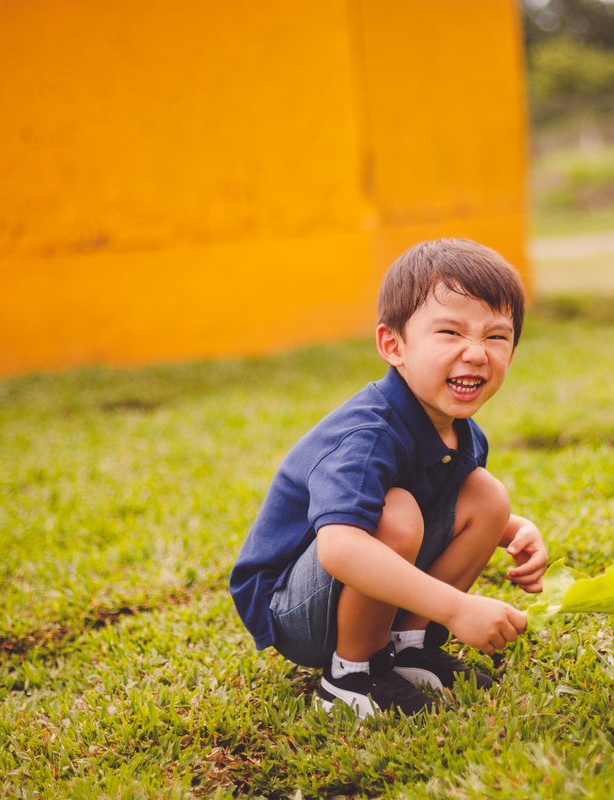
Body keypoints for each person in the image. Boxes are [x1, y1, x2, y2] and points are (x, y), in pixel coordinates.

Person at [229, 238, 548, 718]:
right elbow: (340, 546)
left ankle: (407, 650)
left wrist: (515, 531)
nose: (477, 353)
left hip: (352, 581)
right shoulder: (367, 434)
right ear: (393, 346)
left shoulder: (461, 432)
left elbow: (443, 499)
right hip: (294, 610)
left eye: (496, 337)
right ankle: (350, 674)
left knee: (486, 493)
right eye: (450, 332)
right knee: (394, 513)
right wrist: (457, 609)